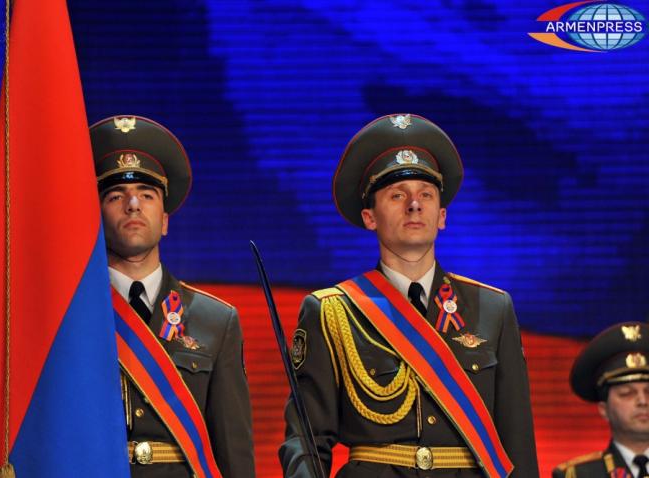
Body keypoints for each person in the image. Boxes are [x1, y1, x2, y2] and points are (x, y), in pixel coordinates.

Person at [279, 114, 539, 477]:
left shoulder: (493, 309)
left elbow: (517, 443)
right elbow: (307, 440)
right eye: (398, 195)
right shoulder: (332, 311)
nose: (414, 205)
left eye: (426, 195)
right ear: (369, 217)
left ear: (442, 216)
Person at [90, 115, 254, 478]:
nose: (133, 204)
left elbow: (233, 450)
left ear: (164, 221)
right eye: (116, 196)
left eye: (147, 195)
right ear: (96, 218)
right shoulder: (72, 319)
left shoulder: (216, 320)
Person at [553, 322, 649, 478]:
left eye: (648, 392)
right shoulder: (576, 475)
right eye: (627, 393)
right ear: (604, 409)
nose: (643, 401)